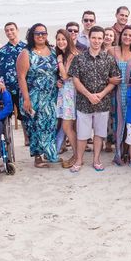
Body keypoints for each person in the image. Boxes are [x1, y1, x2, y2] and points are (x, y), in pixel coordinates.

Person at [68, 26, 120, 173]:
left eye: (99, 38)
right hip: (84, 103)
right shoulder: (79, 58)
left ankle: (96, 159)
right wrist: (89, 95)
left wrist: (101, 94)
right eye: (94, 38)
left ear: (103, 39)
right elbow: (75, 80)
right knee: (83, 134)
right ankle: (79, 160)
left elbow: (114, 80)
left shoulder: (109, 59)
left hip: (102, 103)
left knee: (99, 133)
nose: (96, 41)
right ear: (89, 38)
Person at [17, 24, 60, 168]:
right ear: (32, 35)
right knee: (35, 126)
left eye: (43, 33)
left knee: (50, 125)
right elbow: (21, 77)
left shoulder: (52, 51)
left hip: (50, 95)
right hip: (34, 96)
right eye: (37, 33)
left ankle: (49, 153)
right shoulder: (26, 53)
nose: (40, 36)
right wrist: (27, 99)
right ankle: (37, 157)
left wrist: (59, 82)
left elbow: (56, 72)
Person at [110, 25, 131, 165]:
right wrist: (109, 80)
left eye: (130, 35)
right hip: (115, 91)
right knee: (118, 122)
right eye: (125, 34)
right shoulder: (112, 51)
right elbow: (105, 70)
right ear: (120, 36)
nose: (127, 37)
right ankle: (118, 153)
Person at [0, 22, 27, 145]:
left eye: (12, 30)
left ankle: (27, 139)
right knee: (6, 114)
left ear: (17, 30)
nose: (10, 32)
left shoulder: (26, 48)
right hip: (8, 88)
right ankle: (6, 140)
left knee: (25, 114)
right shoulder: (3, 50)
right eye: (7, 31)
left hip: (23, 87)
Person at [54, 29, 79, 168]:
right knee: (70, 127)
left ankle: (76, 156)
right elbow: (63, 78)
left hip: (71, 94)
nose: (61, 42)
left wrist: (59, 62)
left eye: (63, 39)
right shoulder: (64, 55)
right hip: (65, 92)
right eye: (58, 39)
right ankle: (76, 155)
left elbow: (65, 76)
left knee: (67, 126)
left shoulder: (71, 55)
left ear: (68, 40)